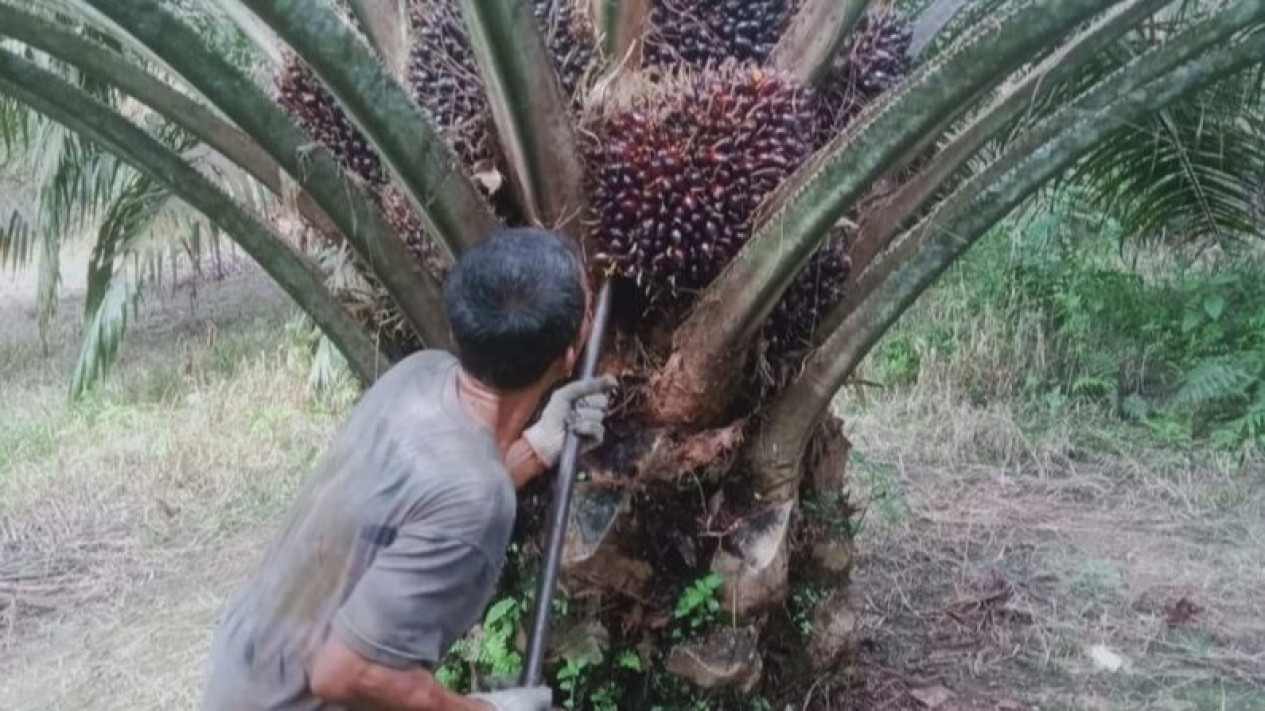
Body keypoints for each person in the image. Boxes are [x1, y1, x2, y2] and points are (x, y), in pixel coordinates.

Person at [201, 228, 615, 711]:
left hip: (243, 676)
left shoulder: (420, 374)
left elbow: (434, 501)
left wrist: (541, 445)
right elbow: (348, 673)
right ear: (569, 356)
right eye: (588, 308)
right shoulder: (477, 499)